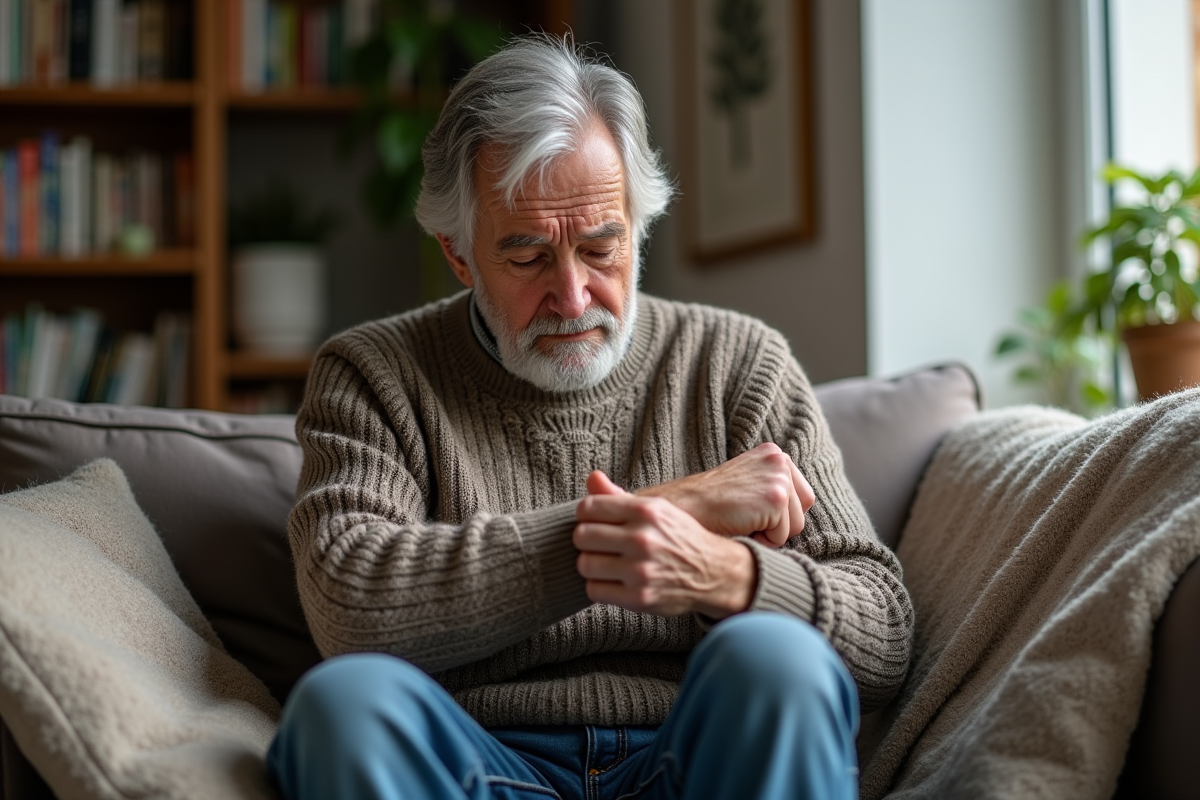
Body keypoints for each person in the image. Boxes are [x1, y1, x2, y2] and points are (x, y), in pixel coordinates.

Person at [267, 35, 913, 800]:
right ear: (460, 254)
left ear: (638, 229)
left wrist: (727, 573)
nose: (572, 297)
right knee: (342, 708)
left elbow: (882, 635)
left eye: (601, 248)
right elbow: (349, 605)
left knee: (780, 662)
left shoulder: (741, 363)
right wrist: (653, 517)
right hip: (477, 765)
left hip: (697, 758)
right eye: (529, 256)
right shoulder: (374, 375)